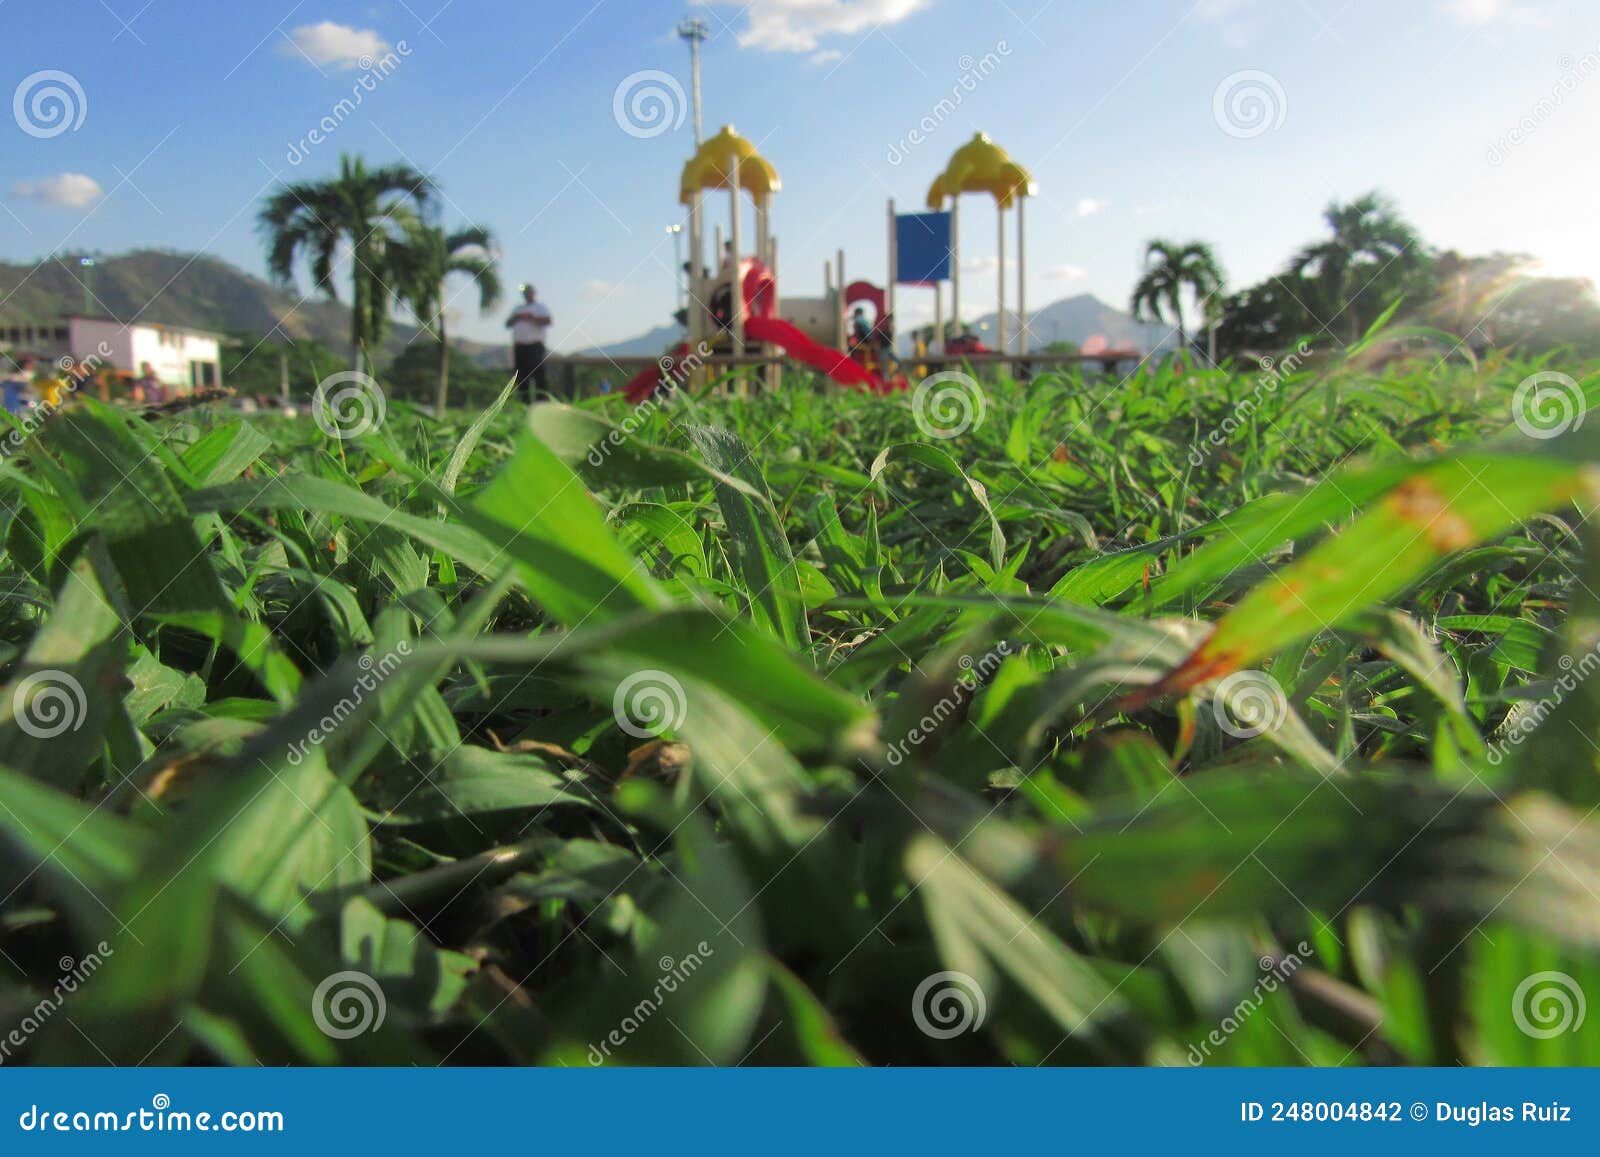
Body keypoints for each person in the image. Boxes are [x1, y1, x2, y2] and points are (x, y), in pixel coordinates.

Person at [506, 284, 552, 400]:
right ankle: (524, 402)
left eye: (528, 292)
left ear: (533, 293)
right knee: (521, 376)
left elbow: (548, 321)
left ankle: (542, 402)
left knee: (538, 374)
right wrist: (517, 317)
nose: (527, 294)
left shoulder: (540, 307)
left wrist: (532, 317)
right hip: (520, 346)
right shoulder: (518, 309)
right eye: (525, 292)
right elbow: (508, 323)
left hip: (535, 346)